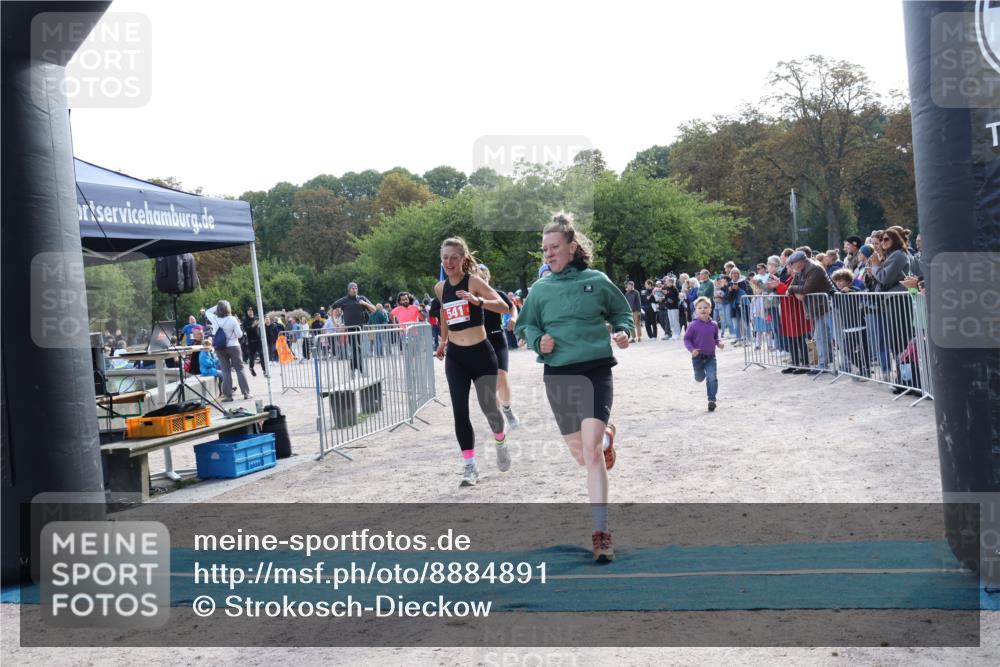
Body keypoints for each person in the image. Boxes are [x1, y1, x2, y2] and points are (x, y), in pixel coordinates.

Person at [515, 212, 633, 562]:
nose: (548, 254)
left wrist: (623, 332)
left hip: (595, 369)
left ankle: (601, 534)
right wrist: (538, 342)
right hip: (559, 375)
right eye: (544, 249)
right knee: (581, 455)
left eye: (554, 247)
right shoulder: (539, 290)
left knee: (592, 452)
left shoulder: (596, 280)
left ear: (571, 247)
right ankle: (608, 436)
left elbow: (622, 313)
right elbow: (524, 327)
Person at [435, 237, 511, 487]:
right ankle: (470, 467)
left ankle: (500, 440)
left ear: (463, 259)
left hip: (481, 353)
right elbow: (445, 314)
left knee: (489, 407)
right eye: (445, 257)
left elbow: (503, 307)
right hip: (456, 357)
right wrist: (443, 341)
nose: (449, 262)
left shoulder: (474, 282)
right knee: (459, 410)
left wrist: (477, 300)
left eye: (454, 257)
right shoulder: (440, 288)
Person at [477, 264, 520, 430]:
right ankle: (498, 414)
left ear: (488, 278)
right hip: (480, 343)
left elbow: (512, 307)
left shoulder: (498, 295)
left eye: (484, 278)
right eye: (477, 278)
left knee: (501, 375)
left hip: (497, 338)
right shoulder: (470, 298)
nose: (481, 281)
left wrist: (513, 319)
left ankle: (507, 409)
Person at [684, 297, 725, 411]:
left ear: (710, 310)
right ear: (696, 310)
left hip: (711, 357)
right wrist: (692, 350)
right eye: (700, 308)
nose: (703, 309)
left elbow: (715, 337)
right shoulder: (693, 325)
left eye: (706, 307)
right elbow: (686, 339)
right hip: (697, 358)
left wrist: (719, 343)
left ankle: (711, 400)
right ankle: (699, 375)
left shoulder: (714, 324)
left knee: (712, 377)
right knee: (700, 378)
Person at [206, 300, 251, 402]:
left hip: (220, 348)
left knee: (225, 372)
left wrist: (217, 305)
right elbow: (239, 335)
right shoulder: (232, 319)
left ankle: (228, 396)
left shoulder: (214, 319)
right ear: (228, 308)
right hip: (233, 346)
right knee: (240, 369)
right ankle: (246, 394)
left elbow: (207, 311)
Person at [332, 282, 377, 375]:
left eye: (356, 288)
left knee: (358, 349)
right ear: (349, 289)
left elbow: (374, 309)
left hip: (361, 328)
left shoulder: (362, 298)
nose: (355, 290)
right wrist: (335, 323)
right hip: (350, 329)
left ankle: (354, 369)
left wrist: (364, 303)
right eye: (353, 288)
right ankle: (359, 369)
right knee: (354, 349)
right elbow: (332, 308)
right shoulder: (344, 300)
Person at [242, 306, 262, 377]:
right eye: (249, 311)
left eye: (251, 310)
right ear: (247, 312)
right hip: (251, 340)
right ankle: (251, 368)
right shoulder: (245, 320)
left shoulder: (256, 318)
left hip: (258, 339)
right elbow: (246, 330)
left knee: (262, 354)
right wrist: (253, 325)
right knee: (252, 357)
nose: (250, 312)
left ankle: (264, 369)